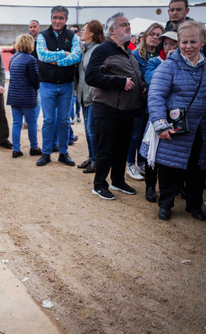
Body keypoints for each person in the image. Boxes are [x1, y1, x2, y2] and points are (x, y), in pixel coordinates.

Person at [146, 21, 206, 221]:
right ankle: (166, 205)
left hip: (201, 128)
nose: (188, 46)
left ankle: (194, 205)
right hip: (176, 126)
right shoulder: (169, 66)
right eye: (184, 42)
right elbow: (156, 96)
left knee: (197, 170)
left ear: (202, 42)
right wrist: (160, 124)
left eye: (193, 41)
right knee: (169, 169)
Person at [85, 12, 145, 200]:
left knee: (122, 148)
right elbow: (91, 77)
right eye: (123, 25)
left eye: (128, 24)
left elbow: (132, 74)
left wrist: (141, 86)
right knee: (106, 149)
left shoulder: (126, 50)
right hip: (107, 108)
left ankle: (118, 181)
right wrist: (120, 82)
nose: (128, 27)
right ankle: (99, 184)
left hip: (127, 109)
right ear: (111, 30)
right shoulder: (103, 50)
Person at [35, 5, 81, 167]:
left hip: (67, 85)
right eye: (55, 17)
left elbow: (76, 56)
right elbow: (42, 55)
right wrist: (64, 53)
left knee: (64, 121)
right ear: (51, 18)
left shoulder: (72, 35)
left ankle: (63, 153)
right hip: (47, 85)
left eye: (61, 18)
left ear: (66, 20)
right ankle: (46, 153)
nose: (57, 21)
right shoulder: (42, 36)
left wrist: (56, 60)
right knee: (48, 121)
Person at [140, 31, 178, 203]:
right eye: (166, 44)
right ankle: (150, 185)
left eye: (173, 44)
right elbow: (152, 80)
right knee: (152, 151)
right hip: (156, 113)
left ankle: (173, 188)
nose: (168, 48)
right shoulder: (155, 61)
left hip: (177, 114)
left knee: (172, 153)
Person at [126, 23, 164, 182]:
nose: (155, 37)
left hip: (153, 103)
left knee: (144, 135)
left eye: (158, 35)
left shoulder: (161, 57)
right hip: (138, 101)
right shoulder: (135, 55)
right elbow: (130, 75)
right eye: (152, 34)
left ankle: (141, 162)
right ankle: (130, 164)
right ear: (145, 36)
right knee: (134, 135)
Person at [77, 20, 105, 174]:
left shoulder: (98, 50)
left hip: (94, 96)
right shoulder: (85, 49)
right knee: (88, 131)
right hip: (84, 95)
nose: (82, 31)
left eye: (84, 29)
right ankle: (91, 157)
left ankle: (96, 161)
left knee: (92, 130)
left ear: (92, 33)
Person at [6, 34, 41, 159]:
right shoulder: (31, 59)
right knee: (31, 122)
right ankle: (34, 147)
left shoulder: (13, 58)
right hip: (27, 96)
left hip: (14, 96)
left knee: (16, 123)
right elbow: (35, 79)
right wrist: (37, 87)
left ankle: (16, 149)